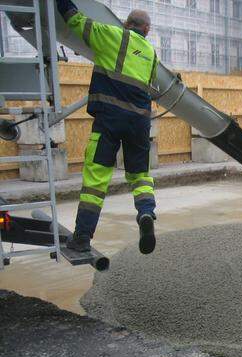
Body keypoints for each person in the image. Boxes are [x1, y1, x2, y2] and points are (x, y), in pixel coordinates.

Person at [57, 0, 158, 254]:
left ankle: (82, 238)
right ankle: (145, 214)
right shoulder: (151, 53)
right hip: (139, 124)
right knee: (140, 176)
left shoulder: (111, 35)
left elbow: (75, 20)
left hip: (110, 121)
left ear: (126, 24)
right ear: (147, 30)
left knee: (96, 179)